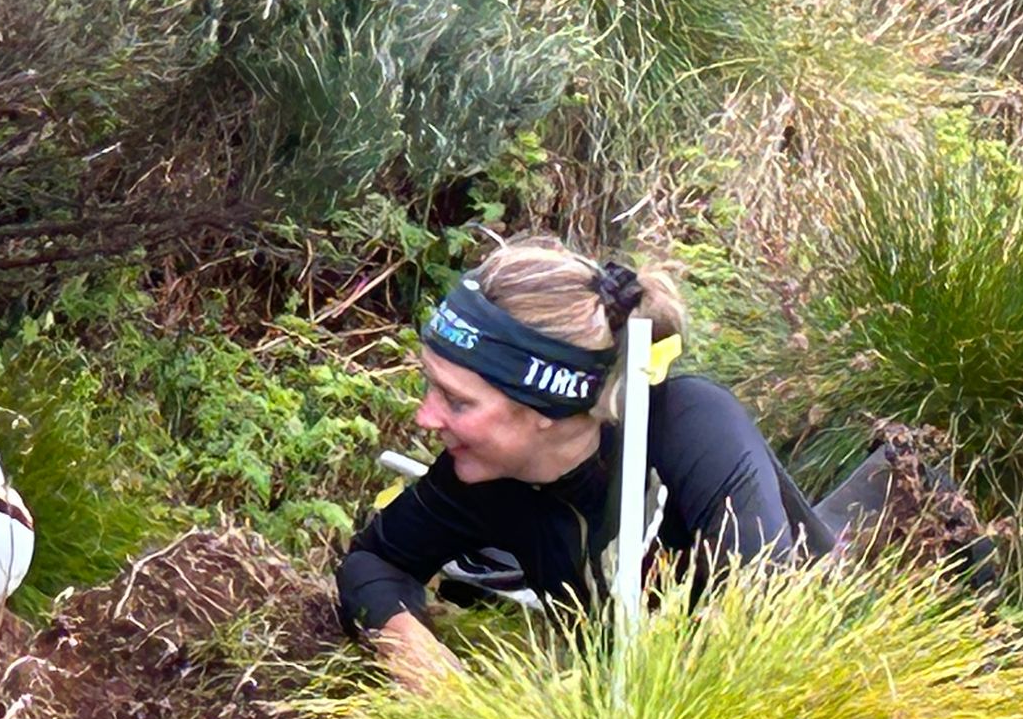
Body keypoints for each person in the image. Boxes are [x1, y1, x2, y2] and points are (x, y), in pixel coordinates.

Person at [338, 236, 826, 689]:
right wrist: (420, 662)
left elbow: (767, 614)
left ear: (546, 408)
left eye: (457, 401)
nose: (425, 416)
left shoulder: (689, 426)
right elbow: (372, 561)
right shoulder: (484, 480)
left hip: (830, 699)